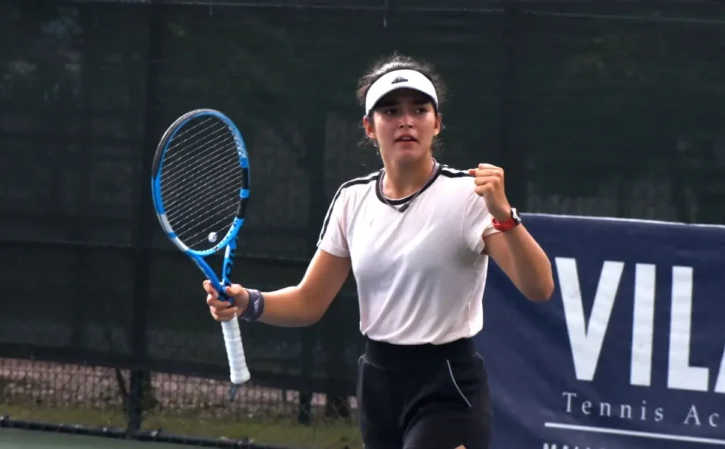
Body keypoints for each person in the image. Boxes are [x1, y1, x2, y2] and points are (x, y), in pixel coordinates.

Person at [204, 53, 554, 449]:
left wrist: (505, 216)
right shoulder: (352, 200)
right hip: (378, 386)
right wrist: (249, 302)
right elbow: (309, 301)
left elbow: (539, 287)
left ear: (436, 123)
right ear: (370, 128)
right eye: (390, 111)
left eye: (419, 109)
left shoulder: (469, 197)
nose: (406, 120)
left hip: (447, 386)